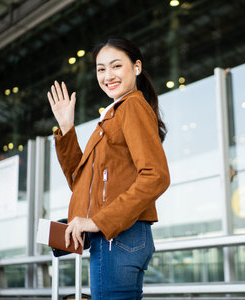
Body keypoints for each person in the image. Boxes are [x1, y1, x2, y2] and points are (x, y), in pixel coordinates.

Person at [47, 37, 170, 299]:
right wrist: (67, 128)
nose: (107, 75)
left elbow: (156, 176)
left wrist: (97, 221)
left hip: (118, 236)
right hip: (118, 237)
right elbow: (79, 182)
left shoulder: (132, 107)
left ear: (136, 67)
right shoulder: (113, 115)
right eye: (101, 69)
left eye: (116, 66)